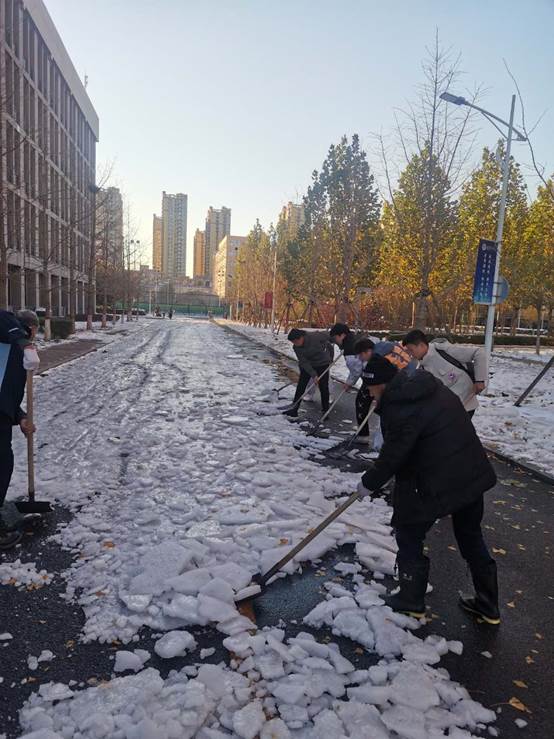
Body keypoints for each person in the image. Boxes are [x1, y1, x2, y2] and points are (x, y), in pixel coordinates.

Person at [356, 355, 499, 625]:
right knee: (470, 535)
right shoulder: (431, 387)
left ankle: (411, 601)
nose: (370, 394)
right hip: (472, 472)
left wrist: (368, 483)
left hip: (437, 478)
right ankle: (488, 604)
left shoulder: (400, 406)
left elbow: (394, 455)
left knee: (408, 532)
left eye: (371, 389)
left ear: (382, 385)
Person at [0, 310, 39, 546]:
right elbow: (4, 317)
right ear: (32, 328)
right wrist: (24, 342)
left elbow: (8, 392)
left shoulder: (13, 351)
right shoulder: (10, 334)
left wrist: (21, 417)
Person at [338, 331, 416, 446]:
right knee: (377, 405)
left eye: (361, 356)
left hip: (395, 382)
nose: (360, 359)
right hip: (398, 381)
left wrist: (378, 396)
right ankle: (378, 440)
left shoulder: (377, 357)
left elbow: (375, 377)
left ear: (367, 351)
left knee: (375, 405)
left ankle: (377, 441)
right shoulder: (385, 348)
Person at [403, 330, 488, 417]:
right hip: (447, 410)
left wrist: (480, 380)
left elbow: (478, 353)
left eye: (411, 350)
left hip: (466, 405)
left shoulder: (443, 350)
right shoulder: (421, 368)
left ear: (421, 345)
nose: (410, 354)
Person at [285, 328, 334, 417]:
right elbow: (303, 362)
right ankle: (294, 409)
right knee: (301, 385)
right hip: (308, 365)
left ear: (301, 337)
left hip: (322, 363)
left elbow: (331, 336)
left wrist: (332, 356)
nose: (295, 344)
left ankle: (325, 410)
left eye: (296, 341)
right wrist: (314, 375)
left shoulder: (315, 336)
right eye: (293, 342)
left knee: (323, 386)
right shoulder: (296, 347)